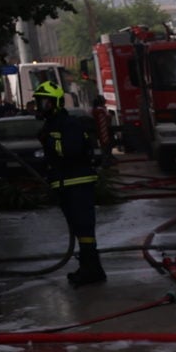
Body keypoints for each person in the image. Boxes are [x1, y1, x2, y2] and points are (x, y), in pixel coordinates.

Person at [34, 82, 107, 285]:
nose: (42, 107)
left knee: (84, 228)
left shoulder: (68, 124)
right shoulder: (52, 124)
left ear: (56, 103)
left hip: (78, 182)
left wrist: (47, 140)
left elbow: (70, 150)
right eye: (39, 102)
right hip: (65, 183)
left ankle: (92, 270)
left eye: (45, 102)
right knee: (78, 228)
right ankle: (89, 268)